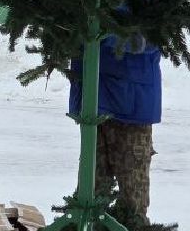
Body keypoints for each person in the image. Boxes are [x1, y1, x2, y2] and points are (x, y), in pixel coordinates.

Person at [67, 29, 162, 220]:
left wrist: (100, 35)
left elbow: (153, 35)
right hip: (92, 101)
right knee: (91, 189)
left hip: (131, 103)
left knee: (132, 191)